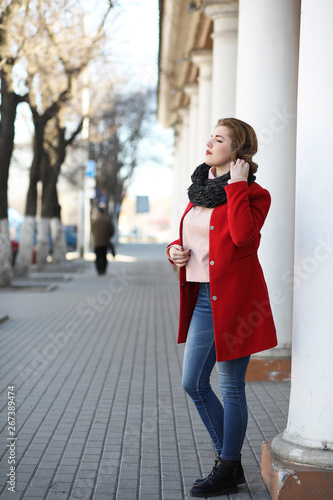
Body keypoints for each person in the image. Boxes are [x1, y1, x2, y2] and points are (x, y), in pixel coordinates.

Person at [166, 118, 277, 498]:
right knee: (193, 382)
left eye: (219, 139)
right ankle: (230, 462)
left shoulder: (253, 194)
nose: (209, 143)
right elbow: (191, 235)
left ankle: (227, 467)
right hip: (201, 297)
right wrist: (173, 251)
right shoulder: (200, 189)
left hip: (235, 301)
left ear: (238, 149)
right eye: (210, 137)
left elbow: (245, 237)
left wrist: (238, 187)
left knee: (230, 385)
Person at [91, 207, 115, 275]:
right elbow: (112, 230)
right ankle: (103, 270)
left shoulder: (95, 221)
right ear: (103, 212)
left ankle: (99, 270)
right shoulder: (107, 221)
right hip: (105, 242)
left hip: (97, 242)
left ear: (98, 212)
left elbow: (92, 231)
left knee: (98, 257)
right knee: (104, 256)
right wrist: (108, 236)